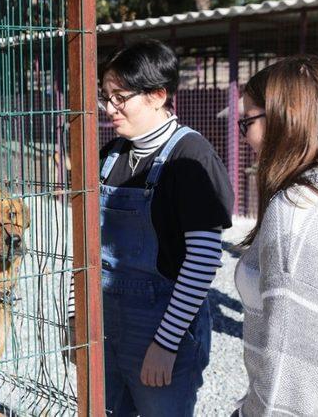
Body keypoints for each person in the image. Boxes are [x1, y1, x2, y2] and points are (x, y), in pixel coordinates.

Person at [95, 38, 234, 416]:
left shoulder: (190, 157)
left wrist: (166, 343)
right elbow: (89, 247)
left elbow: (203, 261)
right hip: (105, 323)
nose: (110, 108)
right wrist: (80, 317)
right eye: (106, 96)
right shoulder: (109, 156)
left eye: (120, 97)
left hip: (159, 324)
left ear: (157, 95)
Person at [234, 55, 318, 416]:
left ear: (283, 119)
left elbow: (293, 375)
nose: (245, 136)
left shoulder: (301, 213)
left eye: (247, 122)